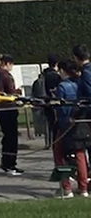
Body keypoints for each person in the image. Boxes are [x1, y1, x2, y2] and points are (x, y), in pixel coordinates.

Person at [53, 61, 90, 198]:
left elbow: (61, 108)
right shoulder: (79, 84)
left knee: (59, 155)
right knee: (80, 155)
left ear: (63, 71)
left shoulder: (62, 87)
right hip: (80, 123)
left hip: (65, 124)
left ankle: (66, 188)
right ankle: (83, 187)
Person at [0, 54, 24, 175]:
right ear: (7, 64)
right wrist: (18, 91)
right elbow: (11, 93)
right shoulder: (5, 76)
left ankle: (6, 162)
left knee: (7, 136)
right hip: (8, 108)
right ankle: (10, 164)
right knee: (12, 138)